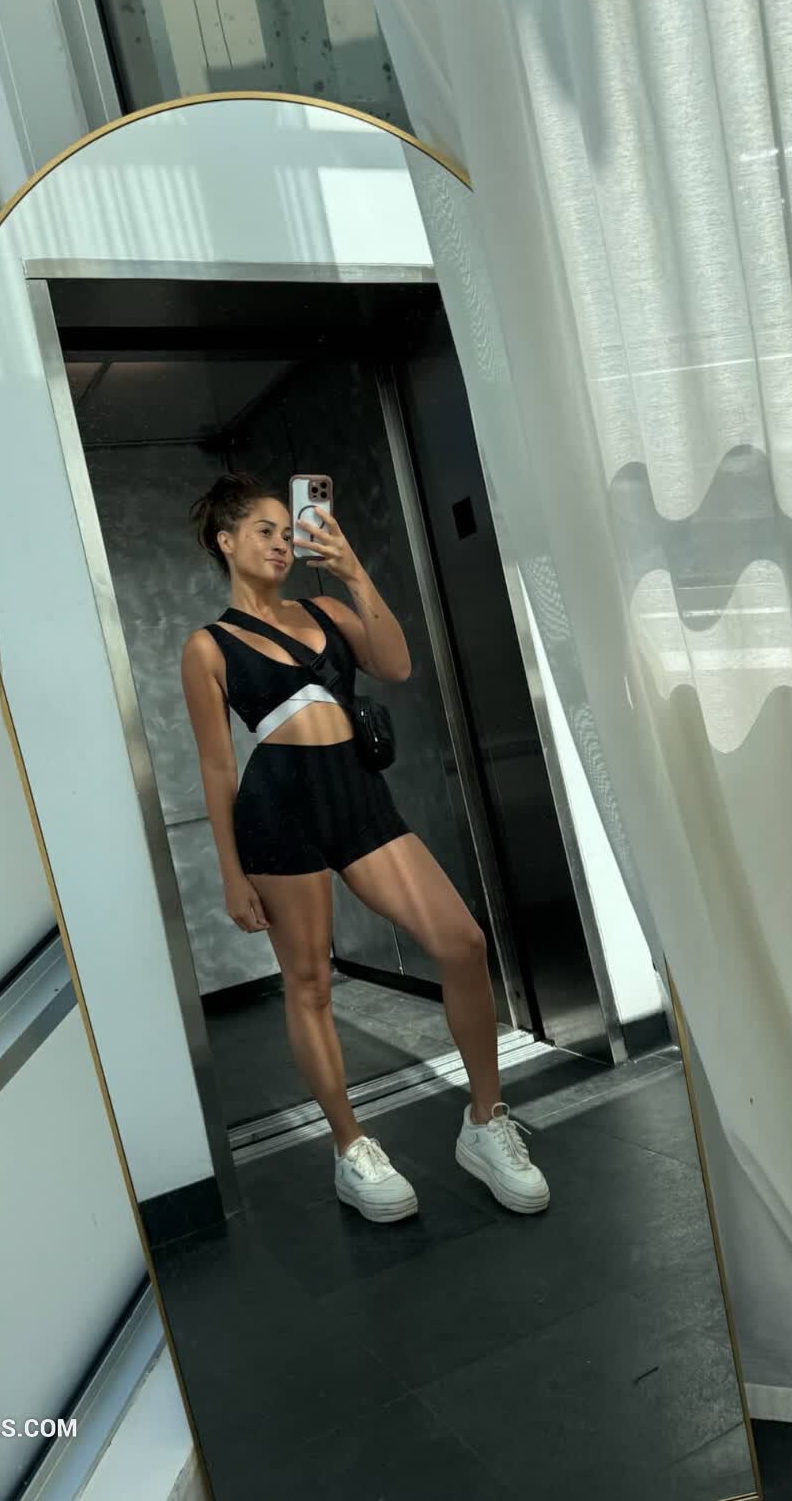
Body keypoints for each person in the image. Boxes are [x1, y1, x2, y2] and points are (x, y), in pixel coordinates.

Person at [181, 472, 550, 1223]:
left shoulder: (327, 609)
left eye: (287, 531)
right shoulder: (208, 646)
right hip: (276, 811)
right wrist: (231, 872)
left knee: (462, 943)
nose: (282, 544)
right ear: (226, 541)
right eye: (264, 531)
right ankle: (351, 1148)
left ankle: (485, 1123)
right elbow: (217, 766)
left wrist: (351, 569)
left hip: (357, 796)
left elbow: (396, 664)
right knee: (310, 984)